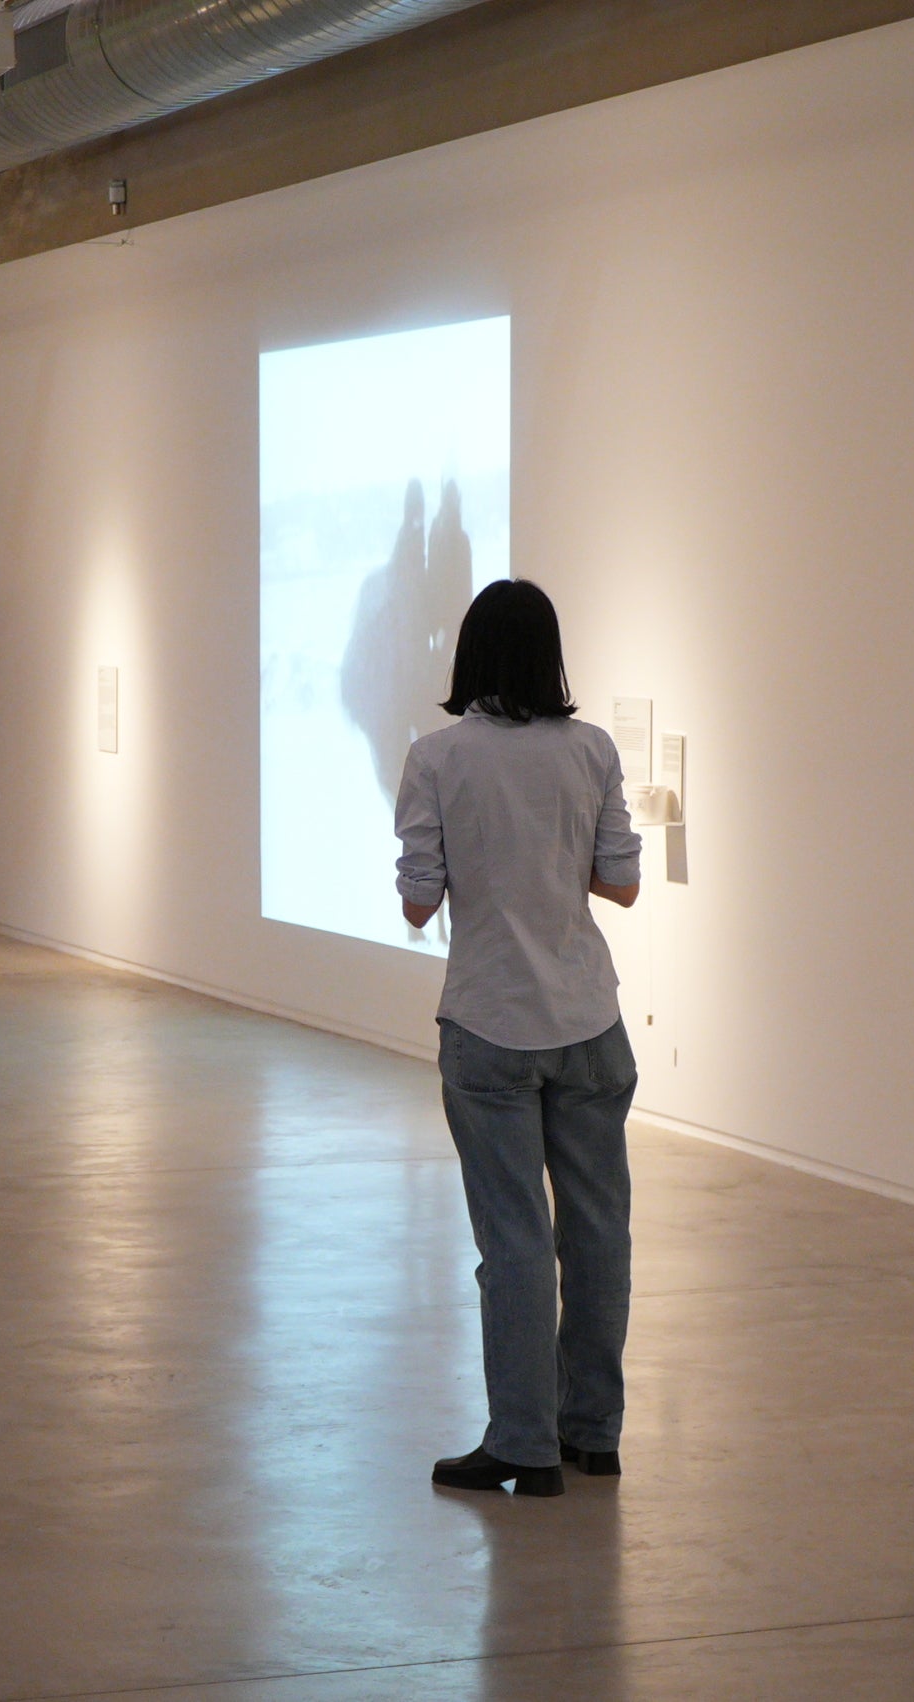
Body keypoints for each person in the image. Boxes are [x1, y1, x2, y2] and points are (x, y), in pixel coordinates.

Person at [394, 580, 642, 1499]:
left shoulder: (436, 759)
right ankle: (594, 1435)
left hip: (490, 1024)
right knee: (598, 1234)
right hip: (590, 1022)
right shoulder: (593, 751)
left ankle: (525, 1445)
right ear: (552, 656)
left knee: (515, 1242)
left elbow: (420, 902)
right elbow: (622, 884)